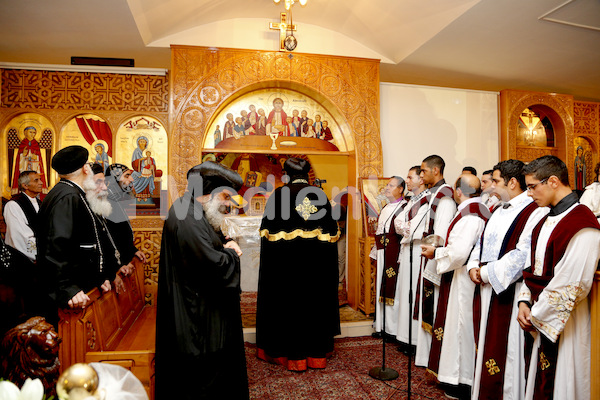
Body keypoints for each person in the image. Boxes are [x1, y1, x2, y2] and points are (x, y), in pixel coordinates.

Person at [155, 161, 248, 400]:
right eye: (226, 196)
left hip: (199, 306)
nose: (228, 203)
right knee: (201, 377)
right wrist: (231, 252)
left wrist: (222, 242)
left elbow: (206, 243)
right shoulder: (186, 216)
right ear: (210, 192)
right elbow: (210, 265)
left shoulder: (191, 209)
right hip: (195, 316)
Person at [517, 155, 600, 399]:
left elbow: (573, 284)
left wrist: (536, 313)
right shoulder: (545, 219)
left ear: (553, 181)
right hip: (539, 313)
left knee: (564, 384)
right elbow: (532, 268)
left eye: (532, 186)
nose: (529, 194)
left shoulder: (582, 223)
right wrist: (524, 300)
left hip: (567, 323)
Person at [468, 160, 548, 400]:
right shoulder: (498, 209)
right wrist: (473, 265)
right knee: (487, 345)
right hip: (486, 288)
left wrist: (485, 273)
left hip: (509, 291)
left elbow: (523, 254)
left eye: (496, 181)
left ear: (512, 183)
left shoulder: (533, 210)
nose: (491, 186)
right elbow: (481, 242)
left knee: (507, 353)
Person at [256, 157, 341, 371]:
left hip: (286, 271)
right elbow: (332, 235)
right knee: (313, 306)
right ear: (307, 173)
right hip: (315, 271)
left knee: (288, 307)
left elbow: (267, 235)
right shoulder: (320, 195)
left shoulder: (279, 195)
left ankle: (286, 352)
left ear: (286, 174)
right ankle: (315, 354)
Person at [422, 174, 488, 399]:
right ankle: (454, 376)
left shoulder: (471, 215)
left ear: (459, 191)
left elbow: (459, 253)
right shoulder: (473, 210)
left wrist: (436, 252)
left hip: (463, 280)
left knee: (461, 328)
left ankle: (462, 380)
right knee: (455, 326)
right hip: (459, 276)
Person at [37, 146, 113, 324]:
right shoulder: (68, 196)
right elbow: (57, 246)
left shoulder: (70, 192)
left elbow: (81, 243)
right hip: (71, 294)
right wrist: (67, 288)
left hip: (82, 285)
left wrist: (97, 278)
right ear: (85, 168)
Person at [415, 155, 457, 368]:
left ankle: (435, 358)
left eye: (423, 171)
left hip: (436, 259)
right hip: (429, 255)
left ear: (436, 171)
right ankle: (426, 356)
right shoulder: (434, 193)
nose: (421, 175)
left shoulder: (446, 196)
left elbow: (440, 233)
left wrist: (432, 255)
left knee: (435, 308)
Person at [394, 166, 428, 352]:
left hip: (417, 250)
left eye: (409, 177)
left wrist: (404, 226)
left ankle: (414, 339)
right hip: (407, 248)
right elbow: (397, 223)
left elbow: (412, 228)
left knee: (413, 292)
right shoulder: (412, 200)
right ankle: (405, 336)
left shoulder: (427, 200)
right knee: (404, 291)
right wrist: (404, 226)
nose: (406, 180)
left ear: (421, 180)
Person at [370, 176, 407, 338]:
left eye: (391, 185)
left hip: (394, 253)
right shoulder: (385, 207)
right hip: (382, 251)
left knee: (394, 288)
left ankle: (392, 329)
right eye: (387, 185)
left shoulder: (405, 207)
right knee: (381, 286)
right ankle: (381, 326)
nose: (386, 188)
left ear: (400, 189)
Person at [104, 163, 147, 277]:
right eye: (127, 176)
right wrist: (120, 264)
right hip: (118, 267)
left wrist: (133, 250)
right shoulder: (108, 202)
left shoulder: (116, 198)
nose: (132, 179)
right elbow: (110, 239)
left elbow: (121, 233)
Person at [3, 171, 43, 262]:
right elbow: (19, 235)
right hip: (19, 258)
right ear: (25, 185)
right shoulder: (13, 205)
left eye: (40, 179)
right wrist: (39, 254)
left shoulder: (41, 204)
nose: (41, 183)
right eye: (36, 180)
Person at [11, 126, 47, 194]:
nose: (32, 134)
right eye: (30, 132)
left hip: (34, 166)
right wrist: (23, 154)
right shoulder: (22, 143)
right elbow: (19, 158)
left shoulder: (35, 144)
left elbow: (39, 158)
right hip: (24, 167)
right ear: (25, 132)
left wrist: (35, 157)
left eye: (34, 133)